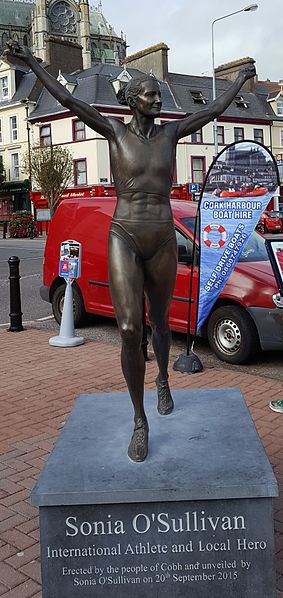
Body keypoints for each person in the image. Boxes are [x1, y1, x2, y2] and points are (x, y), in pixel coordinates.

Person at [4, 41, 256, 462]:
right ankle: (140, 420)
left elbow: (210, 112)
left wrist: (240, 81)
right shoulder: (114, 131)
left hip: (161, 236)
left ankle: (161, 379)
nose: (157, 99)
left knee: (159, 321)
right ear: (132, 101)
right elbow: (67, 98)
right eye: (150, 94)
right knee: (128, 329)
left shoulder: (171, 133)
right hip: (123, 233)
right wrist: (31, 61)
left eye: (159, 94)